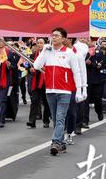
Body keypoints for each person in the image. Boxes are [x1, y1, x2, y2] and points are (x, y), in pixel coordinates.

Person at [33, 27, 83, 156]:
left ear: (63, 38)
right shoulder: (47, 52)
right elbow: (36, 66)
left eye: (56, 35)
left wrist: (79, 90)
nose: (53, 37)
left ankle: (55, 142)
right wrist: (43, 50)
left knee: (60, 118)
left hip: (65, 91)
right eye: (52, 35)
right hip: (50, 90)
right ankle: (61, 144)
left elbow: (76, 72)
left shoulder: (69, 53)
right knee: (55, 118)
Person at [84, 40, 106, 124]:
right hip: (85, 80)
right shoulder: (82, 51)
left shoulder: (98, 52)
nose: (88, 42)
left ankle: (99, 112)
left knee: (97, 99)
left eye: (88, 40)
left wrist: (91, 63)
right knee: (85, 100)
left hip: (96, 80)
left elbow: (101, 65)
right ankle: (85, 120)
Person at [27, 38, 50, 128]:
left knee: (46, 102)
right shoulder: (33, 55)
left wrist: (45, 69)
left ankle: (46, 120)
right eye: (38, 43)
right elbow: (28, 67)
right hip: (36, 82)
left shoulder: (49, 55)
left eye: (41, 43)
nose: (39, 44)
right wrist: (30, 69)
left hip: (46, 82)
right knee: (34, 101)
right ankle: (32, 121)